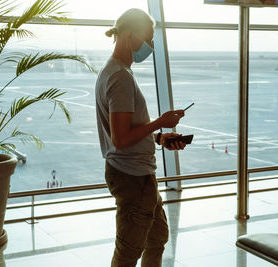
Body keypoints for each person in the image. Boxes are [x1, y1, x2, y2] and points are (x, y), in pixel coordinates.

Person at [95, 8, 186, 267]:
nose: (150, 46)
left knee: (157, 237)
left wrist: (159, 137)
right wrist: (160, 121)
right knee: (128, 251)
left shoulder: (116, 70)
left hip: (137, 173)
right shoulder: (120, 77)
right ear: (130, 35)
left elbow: (127, 130)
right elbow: (121, 139)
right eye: (148, 39)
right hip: (133, 178)